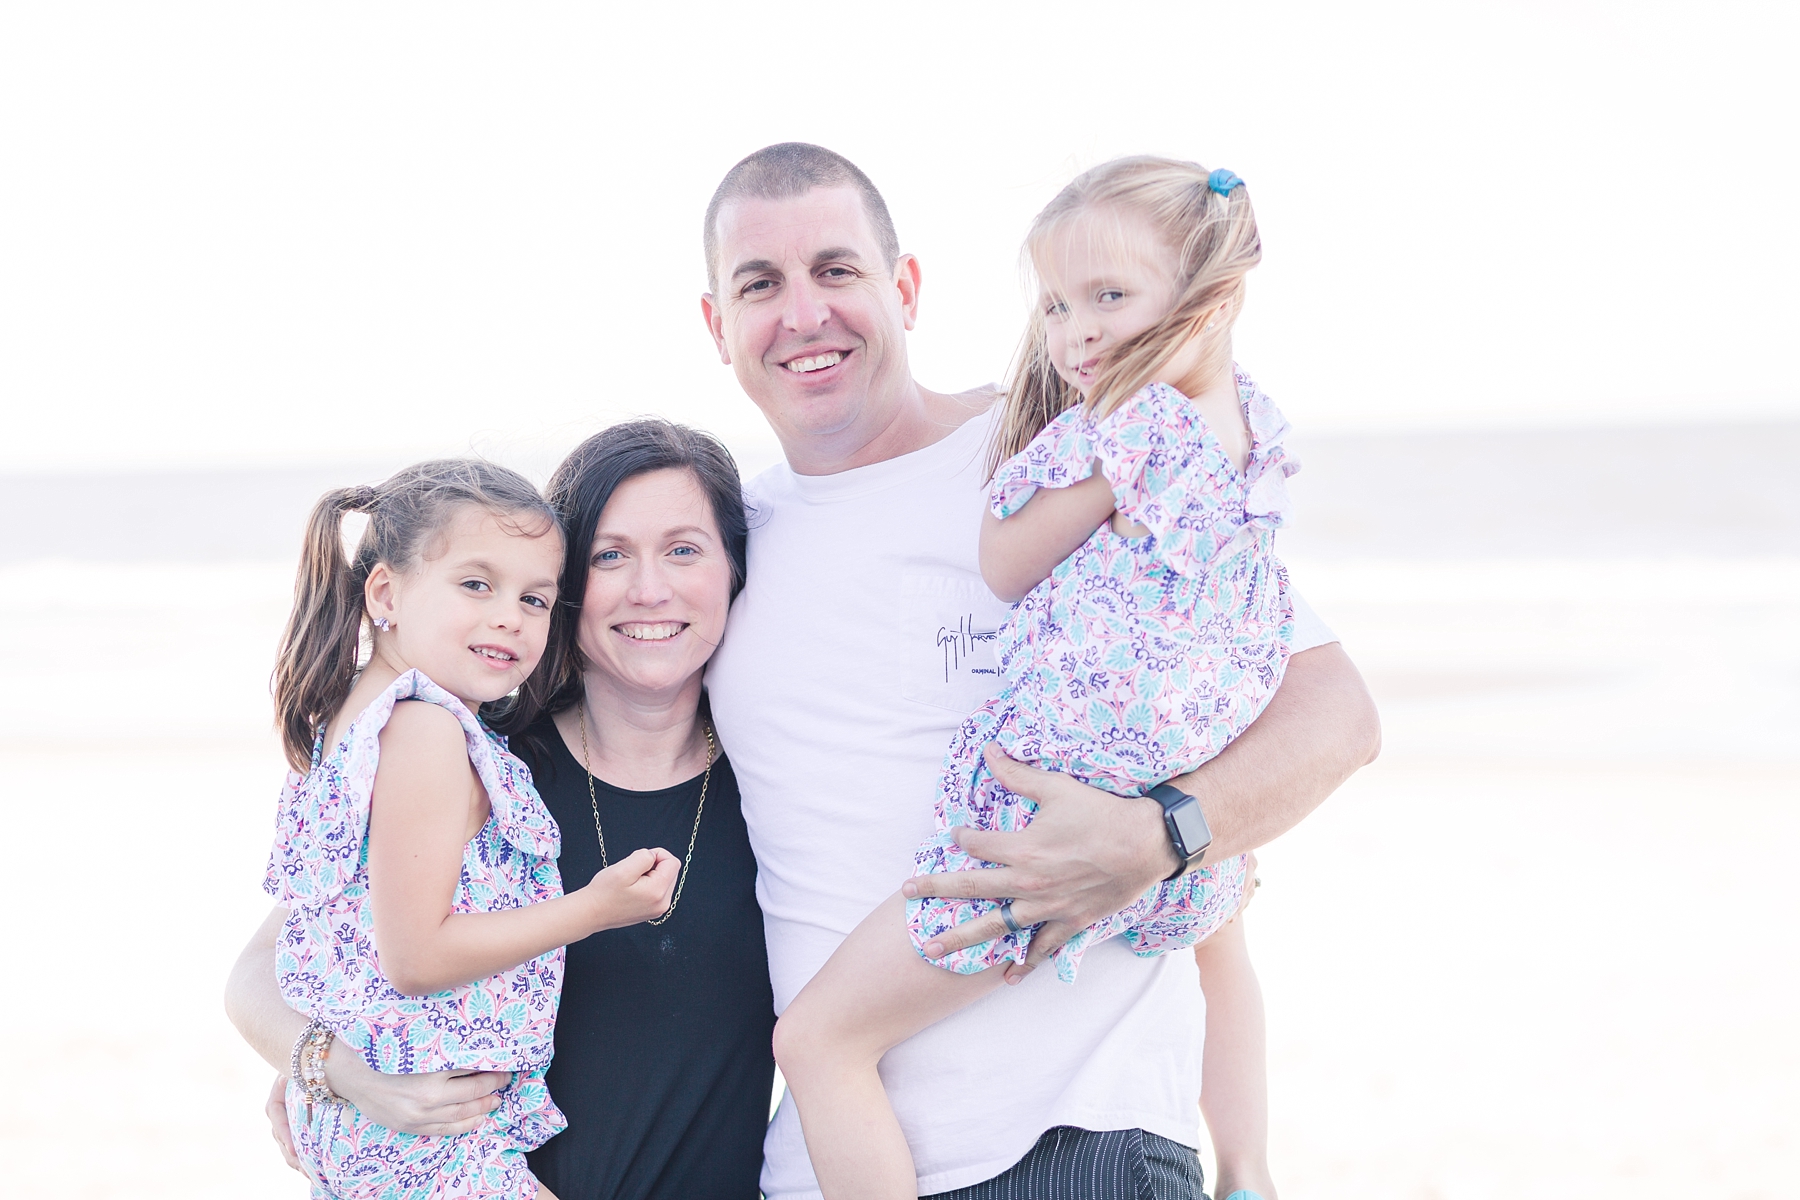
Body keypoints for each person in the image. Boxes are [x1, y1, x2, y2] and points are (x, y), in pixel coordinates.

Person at [697, 142, 1380, 1199]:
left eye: (836, 271)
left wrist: (1160, 834)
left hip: (1084, 1148)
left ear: (905, 288)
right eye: (760, 285)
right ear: (716, 326)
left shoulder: (1056, 446)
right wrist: (345, 1063)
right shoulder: (705, 556)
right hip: (824, 1170)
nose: (803, 314)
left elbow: (1333, 718)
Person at [227, 424, 777, 1200]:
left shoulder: (781, 785)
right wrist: (341, 1074)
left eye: (684, 550)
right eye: (610, 555)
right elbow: (267, 971)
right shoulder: (485, 764)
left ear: (733, 572)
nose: (648, 589)